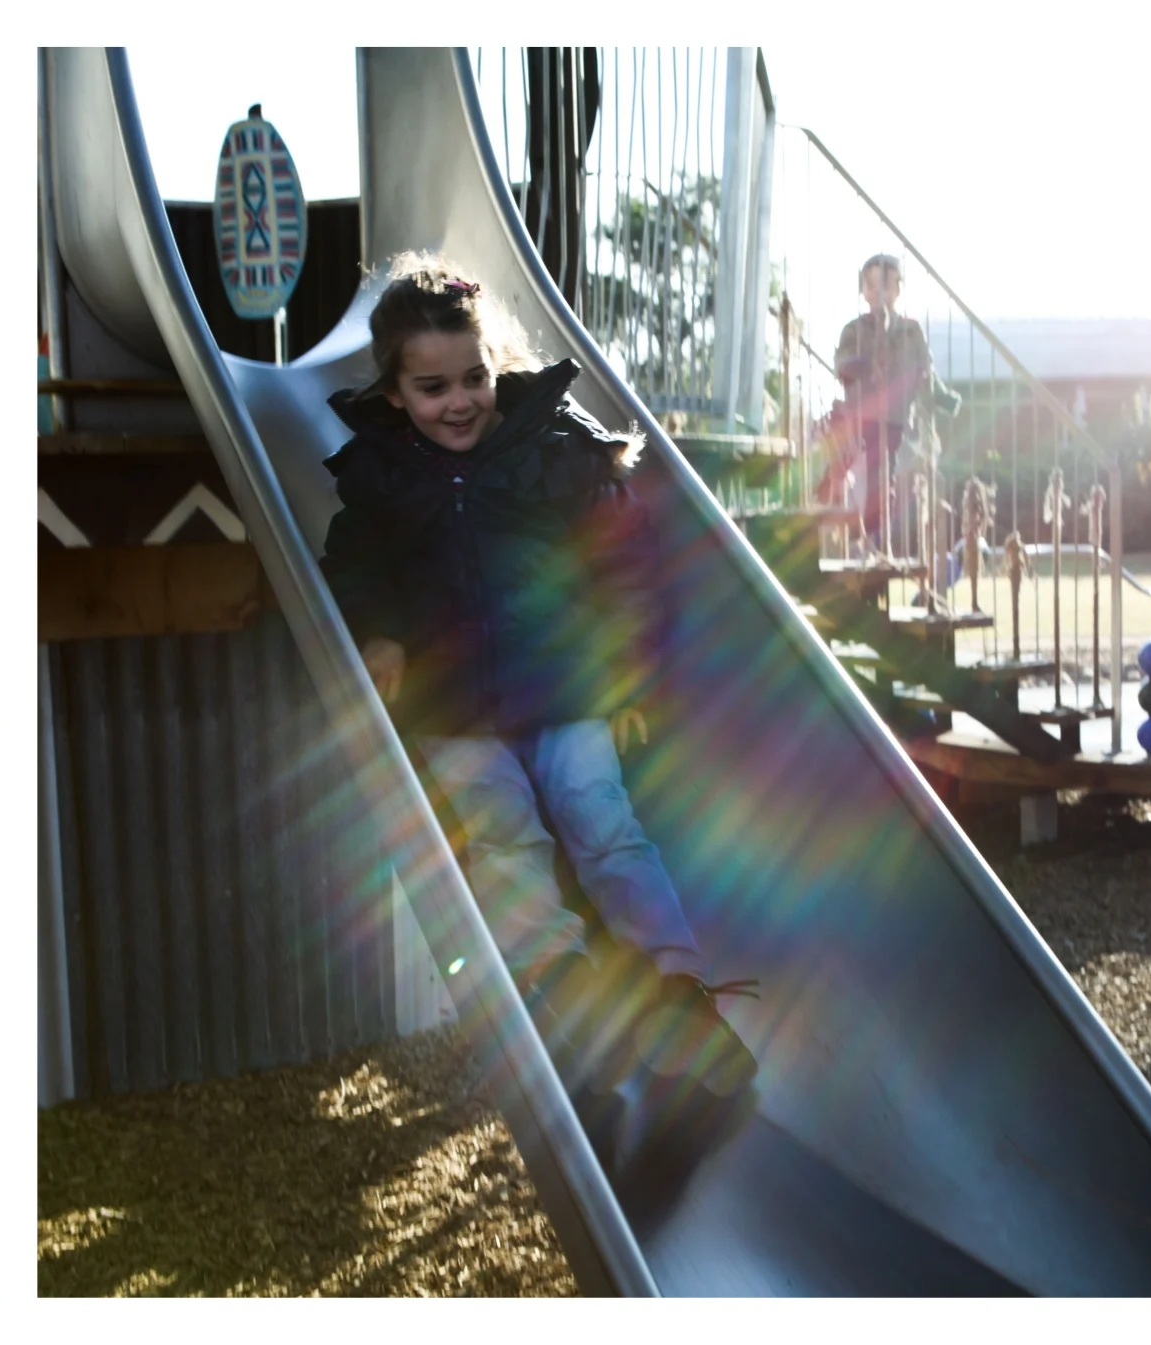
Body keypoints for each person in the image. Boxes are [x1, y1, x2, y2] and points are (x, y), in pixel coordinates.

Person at [319, 253, 757, 1111]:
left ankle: (677, 994)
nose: (459, 401)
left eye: (473, 376)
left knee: (604, 825)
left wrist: (627, 675)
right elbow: (356, 567)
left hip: (565, 688)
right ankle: (563, 996)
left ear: (497, 365)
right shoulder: (380, 479)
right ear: (395, 392)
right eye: (433, 386)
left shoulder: (551, 452)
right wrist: (377, 633)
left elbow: (623, 566)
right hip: (451, 709)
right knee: (507, 844)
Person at [832, 253, 960, 553]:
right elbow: (842, 362)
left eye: (886, 287)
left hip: (893, 417)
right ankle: (840, 514)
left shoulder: (910, 331)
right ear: (863, 291)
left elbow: (925, 368)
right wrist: (860, 365)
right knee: (845, 468)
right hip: (859, 413)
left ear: (898, 290)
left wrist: (941, 396)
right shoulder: (855, 329)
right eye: (872, 287)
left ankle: (873, 537)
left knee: (881, 475)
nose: (879, 294)